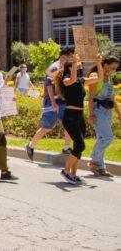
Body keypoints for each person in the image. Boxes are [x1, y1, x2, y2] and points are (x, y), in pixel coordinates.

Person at [25, 47, 74, 160]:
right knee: (47, 127)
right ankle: (30, 145)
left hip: (64, 100)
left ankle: (66, 147)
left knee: (68, 125)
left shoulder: (67, 68)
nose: (72, 60)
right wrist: (53, 103)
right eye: (70, 57)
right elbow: (49, 87)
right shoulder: (53, 68)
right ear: (63, 57)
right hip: (52, 101)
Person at [56, 55, 99, 184]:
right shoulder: (66, 79)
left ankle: (73, 174)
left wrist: (98, 62)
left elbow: (100, 78)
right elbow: (72, 78)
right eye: (77, 66)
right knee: (81, 145)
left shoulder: (81, 80)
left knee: (78, 146)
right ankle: (65, 170)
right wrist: (75, 62)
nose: (80, 68)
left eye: (79, 66)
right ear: (70, 67)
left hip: (80, 116)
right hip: (70, 116)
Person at [88, 55, 120, 176]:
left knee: (101, 138)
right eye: (112, 67)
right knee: (108, 137)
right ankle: (93, 160)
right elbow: (90, 97)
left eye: (115, 68)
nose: (113, 70)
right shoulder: (95, 76)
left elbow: (113, 99)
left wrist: (119, 114)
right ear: (105, 64)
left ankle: (101, 167)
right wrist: (91, 114)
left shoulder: (108, 79)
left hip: (107, 111)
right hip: (98, 110)